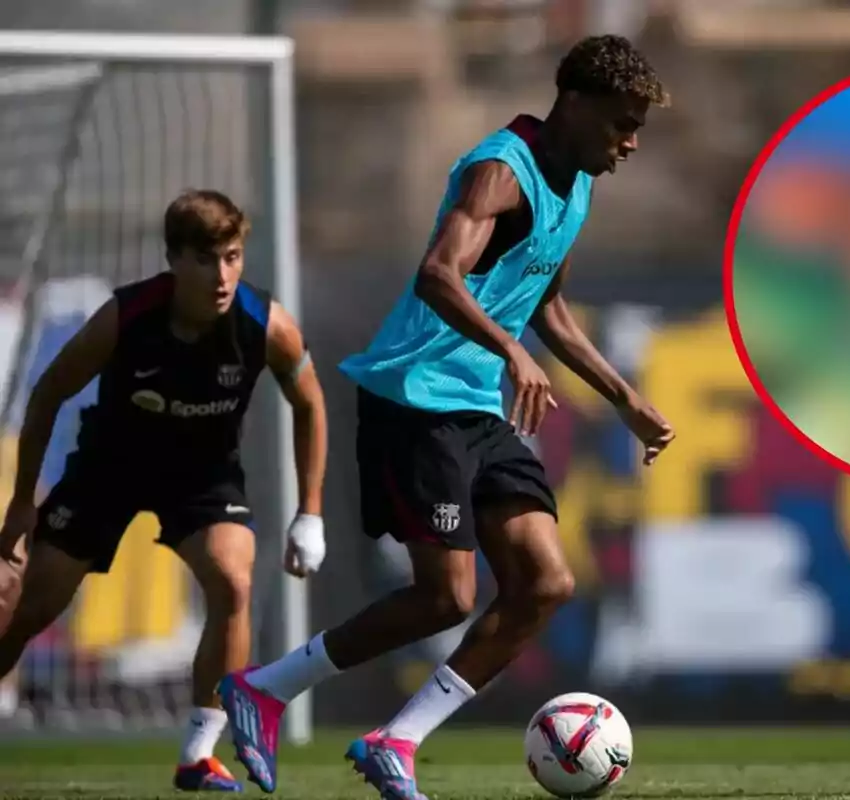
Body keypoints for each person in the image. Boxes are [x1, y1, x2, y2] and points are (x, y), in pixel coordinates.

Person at [218, 34, 675, 800]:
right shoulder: (502, 169)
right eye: (622, 124)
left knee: (545, 584)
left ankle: (395, 741)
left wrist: (622, 396)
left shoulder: (578, 182)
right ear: (576, 105)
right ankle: (264, 688)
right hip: (415, 397)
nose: (630, 143)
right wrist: (510, 349)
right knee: (446, 598)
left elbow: (548, 307)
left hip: (474, 402)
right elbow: (437, 275)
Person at [0, 189, 329, 792]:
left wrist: (310, 513)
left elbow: (309, 402)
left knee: (233, 579)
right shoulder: (124, 318)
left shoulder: (266, 324)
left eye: (232, 257)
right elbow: (47, 395)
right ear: (175, 260)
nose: (223, 275)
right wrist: (23, 503)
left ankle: (199, 751)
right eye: (206, 260)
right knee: (25, 608)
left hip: (203, 478)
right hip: (110, 468)